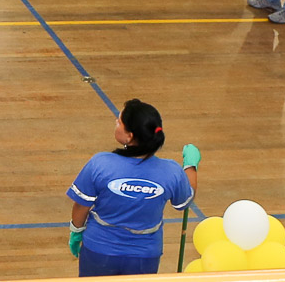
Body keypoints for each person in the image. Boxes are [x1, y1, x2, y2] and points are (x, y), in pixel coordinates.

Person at [66, 99, 199, 277]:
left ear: (129, 136)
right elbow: (185, 201)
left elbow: (81, 206)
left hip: (99, 252)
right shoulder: (171, 171)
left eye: (119, 121)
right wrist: (190, 166)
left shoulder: (100, 164)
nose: (116, 122)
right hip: (145, 257)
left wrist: (76, 231)